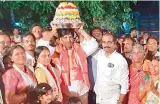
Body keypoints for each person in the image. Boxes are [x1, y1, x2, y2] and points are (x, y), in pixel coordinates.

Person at [55, 26, 98, 104]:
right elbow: (43, 45)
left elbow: (94, 44)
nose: (69, 40)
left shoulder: (80, 50)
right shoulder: (56, 52)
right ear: (60, 40)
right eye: (65, 37)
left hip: (82, 90)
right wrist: (53, 31)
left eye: (70, 37)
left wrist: (81, 31)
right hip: (66, 91)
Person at [94, 32, 129, 104]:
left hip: (113, 99)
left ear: (114, 43)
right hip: (99, 98)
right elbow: (90, 45)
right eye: (104, 42)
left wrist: (120, 102)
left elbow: (124, 84)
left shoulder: (120, 59)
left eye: (109, 42)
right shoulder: (99, 54)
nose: (106, 45)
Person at [88, 27, 103, 104]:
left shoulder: (106, 49)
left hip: (104, 87)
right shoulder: (88, 50)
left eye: (98, 33)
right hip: (91, 87)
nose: (96, 35)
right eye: (94, 34)